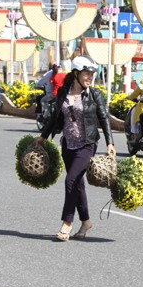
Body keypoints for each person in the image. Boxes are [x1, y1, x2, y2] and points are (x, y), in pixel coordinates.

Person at [34, 55, 116, 242]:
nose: (90, 77)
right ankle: (86, 222)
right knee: (77, 184)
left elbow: (104, 119)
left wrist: (109, 143)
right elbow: (55, 118)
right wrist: (43, 137)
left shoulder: (94, 94)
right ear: (77, 73)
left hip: (87, 144)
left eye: (92, 74)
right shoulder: (63, 92)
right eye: (87, 74)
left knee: (70, 181)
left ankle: (67, 224)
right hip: (68, 145)